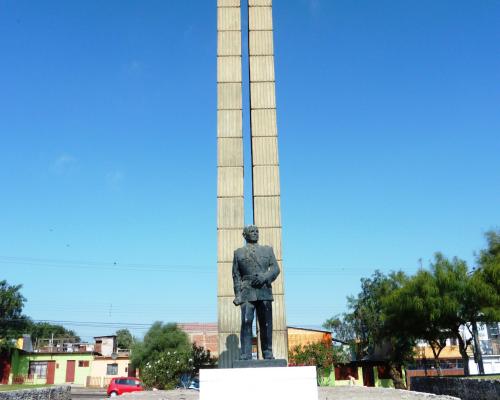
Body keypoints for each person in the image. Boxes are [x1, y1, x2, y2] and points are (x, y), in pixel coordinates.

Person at [232, 225, 280, 360]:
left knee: (266, 322)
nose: (255, 233)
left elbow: (275, 269)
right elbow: (236, 275)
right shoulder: (238, 253)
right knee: (246, 321)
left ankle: (267, 352)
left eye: (257, 231)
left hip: (264, 289)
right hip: (247, 290)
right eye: (251, 231)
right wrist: (237, 295)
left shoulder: (267, 250)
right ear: (245, 235)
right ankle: (246, 354)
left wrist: (265, 277)